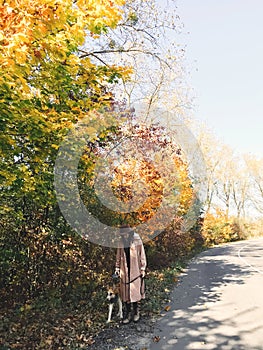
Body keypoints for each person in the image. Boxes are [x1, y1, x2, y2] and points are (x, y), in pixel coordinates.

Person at [115, 226, 147, 324]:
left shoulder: (137, 239)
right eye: (122, 235)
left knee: (135, 291)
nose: (124, 236)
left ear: (129, 233)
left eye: (125, 234)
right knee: (125, 292)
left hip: (135, 269)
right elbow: (118, 255)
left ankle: (136, 312)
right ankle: (128, 313)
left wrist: (142, 268)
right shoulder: (121, 242)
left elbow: (142, 254)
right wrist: (117, 268)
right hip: (124, 269)